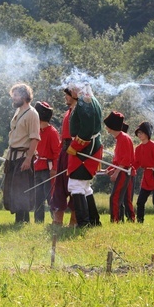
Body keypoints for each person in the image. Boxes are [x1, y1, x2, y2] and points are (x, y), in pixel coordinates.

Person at [65, 83, 103, 227]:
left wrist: (75, 146)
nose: (70, 91)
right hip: (90, 148)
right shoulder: (91, 99)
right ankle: (94, 221)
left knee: (76, 185)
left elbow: (86, 131)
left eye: (72, 89)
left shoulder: (83, 103)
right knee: (85, 187)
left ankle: (84, 223)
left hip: (84, 150)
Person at [2, 83, 40, 224]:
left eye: (16, 95)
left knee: (21, 189)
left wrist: (28, 159)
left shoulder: (32, 114)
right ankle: (20, 220)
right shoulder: (18, 111)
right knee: (14, 189)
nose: (13, 98)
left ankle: (22, 221)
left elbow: (35, 138)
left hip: (23, 157)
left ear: (24, 96)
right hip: (13, 156)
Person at [50, 87, 78, 226]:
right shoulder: (67, 112)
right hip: (64, 152)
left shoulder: (79, 112)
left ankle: (74, 222)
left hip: (75, 153)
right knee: (60, 187)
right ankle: (57, 221)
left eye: (67, 95)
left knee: (74, 186)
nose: (65, 97)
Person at [103, 111, 135, 223]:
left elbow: (125, 160)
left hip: (123, 172)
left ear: (112, 126)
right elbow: (118, 160)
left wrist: (116, 173)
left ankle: (115, 220)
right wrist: (110, 170)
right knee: (118, 198)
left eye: (107, 126)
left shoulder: (124, 139)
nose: (106, 128)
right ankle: (119, 220)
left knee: (115, 197)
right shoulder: (120, 138)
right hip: (121, 170)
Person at [32, 101, 61, 224]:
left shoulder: (52, 132)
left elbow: (57, 153)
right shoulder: (36, 131)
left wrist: (54, 169)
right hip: (37, 167)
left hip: (48, 170)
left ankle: (55, 219)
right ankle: (38, 221)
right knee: (37, 197)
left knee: (50, 197)